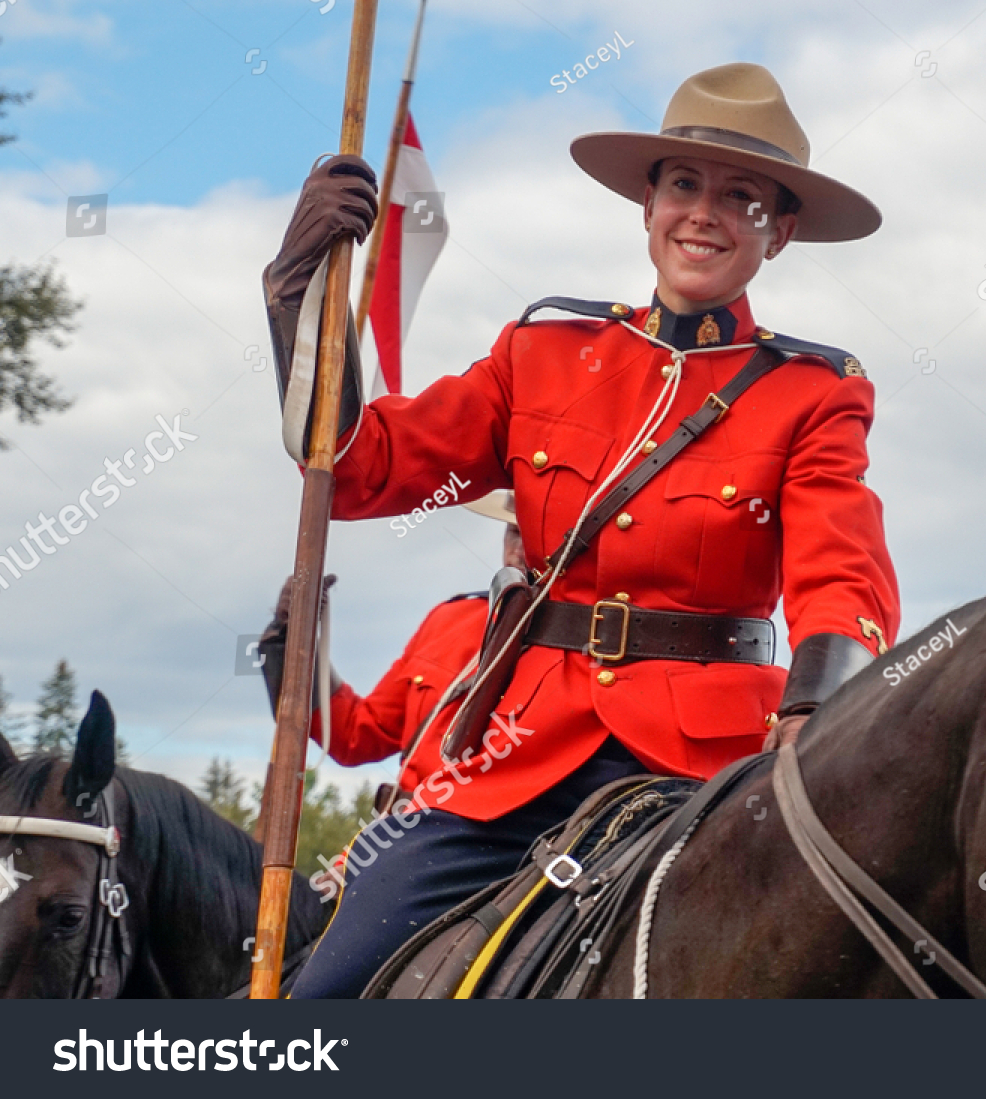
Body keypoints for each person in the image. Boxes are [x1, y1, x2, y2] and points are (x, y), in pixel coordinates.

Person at [261, 62, 900, 997]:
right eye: (683, 184)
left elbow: (840, 574)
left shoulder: (813, 393)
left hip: (708, 768)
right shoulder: (544, 353)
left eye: (744, 199)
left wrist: (813, 714)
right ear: (647, 205)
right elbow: (360, 470)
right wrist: (299, 302)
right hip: (514, 753)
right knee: (330, 988)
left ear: (781, 231)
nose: (705, 215)